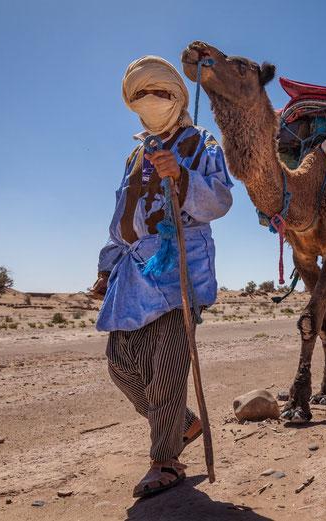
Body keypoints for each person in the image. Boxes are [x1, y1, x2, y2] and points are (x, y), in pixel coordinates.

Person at [89, 55, 233, 498]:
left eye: (160, 92)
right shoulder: (137, 153)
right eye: (141, 95)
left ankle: (165, 460)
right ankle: (183, 424)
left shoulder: (201, 143)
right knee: (121, 365)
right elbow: (125, 217)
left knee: (168, 369)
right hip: (132, 276)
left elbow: (221, 201)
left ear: (178, 96)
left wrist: (184, 177)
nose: (151, 101)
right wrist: (105, 266)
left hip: (178, 274)